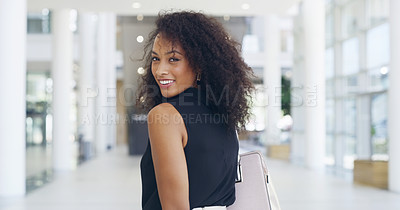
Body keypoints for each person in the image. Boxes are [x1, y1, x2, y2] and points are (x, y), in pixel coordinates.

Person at [137, 11, 254, 210]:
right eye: (156, 59)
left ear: (199, 63)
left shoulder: (164, 115)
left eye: (173, 59)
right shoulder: (224, 114)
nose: (160, 70)